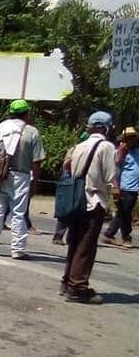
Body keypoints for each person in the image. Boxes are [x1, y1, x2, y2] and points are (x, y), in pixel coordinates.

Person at [61, 111, 118, 304]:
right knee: (86, 245)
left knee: (74, 242)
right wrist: (114, 202)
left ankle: (67, 281)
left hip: (76, 200)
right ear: (105, 128)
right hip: (94, 200)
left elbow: (68, 168)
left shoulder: (79, 146)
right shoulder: (107, 147)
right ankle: (78, 287)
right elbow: (111, 178)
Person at [0, 100, 45, 260]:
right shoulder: (31, 132)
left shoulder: (0, 128)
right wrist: (35, 182)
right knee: (18, 213)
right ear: (26, 114)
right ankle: (17, 250)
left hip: (0, 175)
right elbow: (37, 161)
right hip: (21, 176)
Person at [102, 126, 138, 249]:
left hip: (134, 187)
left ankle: (124, 236)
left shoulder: (137, 151)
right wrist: (115, 186)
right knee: (124, 213)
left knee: (126, 213)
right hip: (124, 186)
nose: (131, 140)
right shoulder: (121, 151)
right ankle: (113, 234)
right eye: (129, 138)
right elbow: (115, 168)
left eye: (133, 138)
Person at [53, 131, 90, 245]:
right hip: (71, 181)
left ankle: (72, 237)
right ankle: (59, 235)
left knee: (78, 210)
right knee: (67, 209)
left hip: (80, 182)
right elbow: (67, 165)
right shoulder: (76, 149)